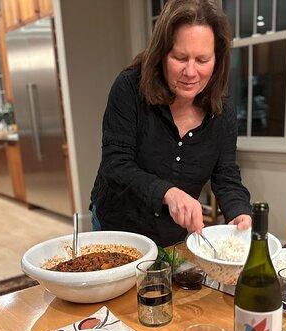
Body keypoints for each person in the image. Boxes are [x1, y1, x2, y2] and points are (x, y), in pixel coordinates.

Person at [90, 0, 252, 247]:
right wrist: (169, 193)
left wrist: (239, 211)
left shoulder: (223, 111)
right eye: (180, 57)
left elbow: (226, 174)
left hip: (172, 237)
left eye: (202, 60)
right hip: (118, 228)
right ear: (161, 54)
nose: (190, 72)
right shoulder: (129, 88)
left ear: (217, 60)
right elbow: (116, 164)